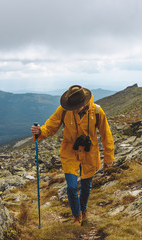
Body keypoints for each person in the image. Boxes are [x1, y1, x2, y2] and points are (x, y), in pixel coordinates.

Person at [31, 85, 115, 226]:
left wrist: (108, 158)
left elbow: (106, 135)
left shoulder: (97, 112)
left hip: (90, 153)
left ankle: (83, 210)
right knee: (71, 187)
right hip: (69, 151)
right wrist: (40, 131)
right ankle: (77, 216)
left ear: (84, 102)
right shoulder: (64, 111)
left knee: (86, 185)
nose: (74, 109)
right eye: (72, 106)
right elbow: (50, 127)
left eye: (77, 106)